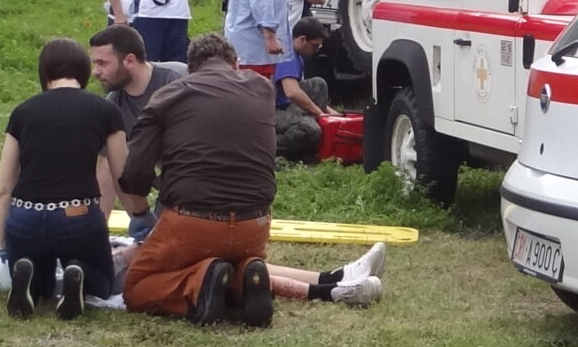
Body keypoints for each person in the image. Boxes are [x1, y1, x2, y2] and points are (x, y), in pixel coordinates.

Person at [118, 33, 382, 322]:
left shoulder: (168, 95)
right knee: (230, 261)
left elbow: (134, 172)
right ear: (235, 63)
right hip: (254, 225)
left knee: (137, 286)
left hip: (193, 222)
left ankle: (200, 282)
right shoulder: (261, 88)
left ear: (191, 67)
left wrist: (150, 200)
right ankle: (244, 279)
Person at [0, 37, 130, 321]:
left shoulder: (22, 112)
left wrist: (3, 243)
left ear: (44, 74)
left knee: (33, 270)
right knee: (103, 280)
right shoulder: (105, 110)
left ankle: (30, 278)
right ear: (83, 73)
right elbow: (122, 175)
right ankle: (80, 275)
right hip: (76, 214)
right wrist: (138, 215)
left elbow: (5, 187)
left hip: (26, 215)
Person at [88, 22, 188, 238]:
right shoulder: (114, 105)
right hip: (170, 183)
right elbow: (108, 171)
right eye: (95, 63)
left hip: (202, 179)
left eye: (103, 63)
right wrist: (96, 234)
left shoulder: (177, 81)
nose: (95, 72)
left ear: (130, 61)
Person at [272, 18, 336, 163]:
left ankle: (312, 140)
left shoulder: (295, 53)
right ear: (302, 40)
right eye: (315, 46)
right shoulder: (287, 56)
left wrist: (331, 114)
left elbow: (303, 94)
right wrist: (319, 113)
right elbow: (292, 92)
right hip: (272, 109)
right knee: (311, 130)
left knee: (318, 84)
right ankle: (270, 147)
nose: (316, 51)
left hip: (284, 103)